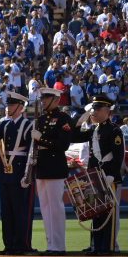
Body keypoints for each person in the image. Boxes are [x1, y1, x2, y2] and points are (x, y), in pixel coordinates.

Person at [71, 96, 124, 256]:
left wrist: (112, 176)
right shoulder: (94, 129)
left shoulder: (114, 130)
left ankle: (107, 247)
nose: (94, 112)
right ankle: (97, 246)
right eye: (93, 109)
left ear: (107, 111)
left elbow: (118, 156)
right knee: (96, 213)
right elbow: (74, 137)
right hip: (95, 178)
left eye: (98, 109)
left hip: (108, 178)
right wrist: (81, 120)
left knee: (108, 214)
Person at [22, 88, 71, 256]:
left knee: (55, 207)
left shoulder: (63, 119)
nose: (42, 101)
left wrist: (41, 138)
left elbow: (62, 145)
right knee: (45, 207)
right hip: (42, 166)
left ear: (56, 99)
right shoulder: (40, 119)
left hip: (55, 167)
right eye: (42, 98)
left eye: (47, 98)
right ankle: (50, 245)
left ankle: (59, 245)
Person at [0, 93, 32, 255]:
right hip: (6, 173)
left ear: (20, 107)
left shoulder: (27, 125)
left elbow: (30, 152)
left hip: (19, 172)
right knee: (7, 212)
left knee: (18, 211)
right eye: (8, 104)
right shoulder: (6, 125)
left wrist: (27, 174)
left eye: (12, 105)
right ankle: (8, 244)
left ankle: (19, 245)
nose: (8, 107)